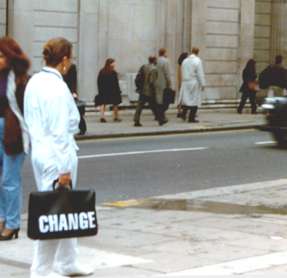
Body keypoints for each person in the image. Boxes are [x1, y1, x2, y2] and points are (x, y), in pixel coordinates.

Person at [24, 37, 93, 278]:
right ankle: (41, 270)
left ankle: (68, 261)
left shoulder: (35, 81)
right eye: (70, 59)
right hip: (57, 156)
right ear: (64, 60)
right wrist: (64, 169)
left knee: (66, 206)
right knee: (53, 213)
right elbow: (60, 131)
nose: (70, 63)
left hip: (41, 152)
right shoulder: (56, 87)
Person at [0, 37, 30, 241]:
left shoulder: (21, 79)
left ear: (11, 57)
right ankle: (2, 218)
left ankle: (12, 223)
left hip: (14, 132)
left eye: (1, 55)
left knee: (9, 180)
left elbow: (28, 112)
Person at [178, 47, 206, 123]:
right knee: (195, 101)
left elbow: (183, 71)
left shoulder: (185, 61)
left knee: (186, 100)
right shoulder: (198, 61)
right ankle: (191, 118)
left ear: (192, 51)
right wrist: (203, 84)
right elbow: (200, 73)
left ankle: (183, 115)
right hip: (194, 82)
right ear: (198, 52)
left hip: (185, 82)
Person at [134, 56, 160, 127]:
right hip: (150, 91)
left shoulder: (143, 67)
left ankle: (136, 120)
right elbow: (152, 82)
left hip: (142, 90)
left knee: (140, 106)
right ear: (154, 61)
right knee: (155, 105)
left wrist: (138, 87)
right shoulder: (154, 69)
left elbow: (137, 78)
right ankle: (161, 119)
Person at [95, 58, 122, 122]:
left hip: (104, 90)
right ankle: (115, 117)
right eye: (113, 63)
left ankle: (102, 116)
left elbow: (99, 81)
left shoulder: (102, 71)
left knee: (103, 103)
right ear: (109, 64)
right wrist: (118, 90)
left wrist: (100, 89)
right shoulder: (113, 72)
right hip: (113, 90)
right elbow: (116, 82)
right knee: (115, 103)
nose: (114, 64)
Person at [63, 63, 87, 135]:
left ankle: (82, 128)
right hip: (64, 91)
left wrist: (74, 92)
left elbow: (73, 81)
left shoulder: (71, 67)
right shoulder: (60, 67)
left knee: (76, 111)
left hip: (70, 92)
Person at [155, 48, 172, 124]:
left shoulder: (156, 61)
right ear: (164, 53)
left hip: (157, 83)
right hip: (164, 83)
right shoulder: (166, 61)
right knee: (165, 102)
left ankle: (160, 117)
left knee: (159, 101)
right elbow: (167, 74)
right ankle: (161, 117)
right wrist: (169, 83)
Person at [176, 52, 189, 118]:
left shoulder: (180, 64)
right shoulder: (182, 65)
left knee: (181, 98)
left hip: (181, 82)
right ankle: (180, 111)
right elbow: (181, 75)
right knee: (182, 98)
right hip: (182, 83)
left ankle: (179, 111)